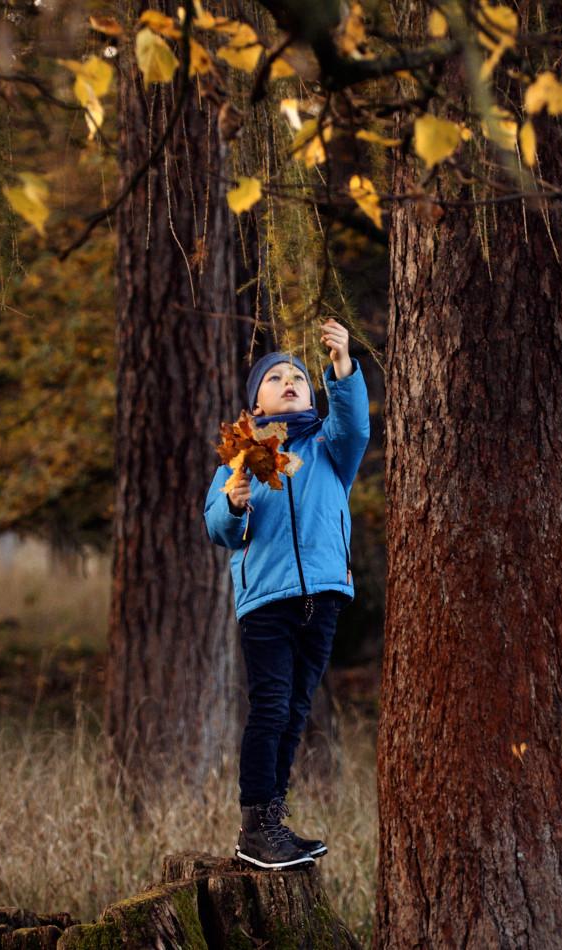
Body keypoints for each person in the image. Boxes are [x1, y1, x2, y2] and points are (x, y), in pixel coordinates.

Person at [203, 318, 370, 870]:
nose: (290, 380)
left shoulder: (329, 446)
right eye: (275, 377)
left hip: (323, 595)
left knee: (297, 709)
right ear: (257, 402)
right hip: (267, 602)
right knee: (271, 706)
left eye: (298, 374)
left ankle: (273, 820)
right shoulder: (240, 457)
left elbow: (357, 425)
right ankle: (254, 825)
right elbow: (220, 529)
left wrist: (342, 365)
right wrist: (233, 500)